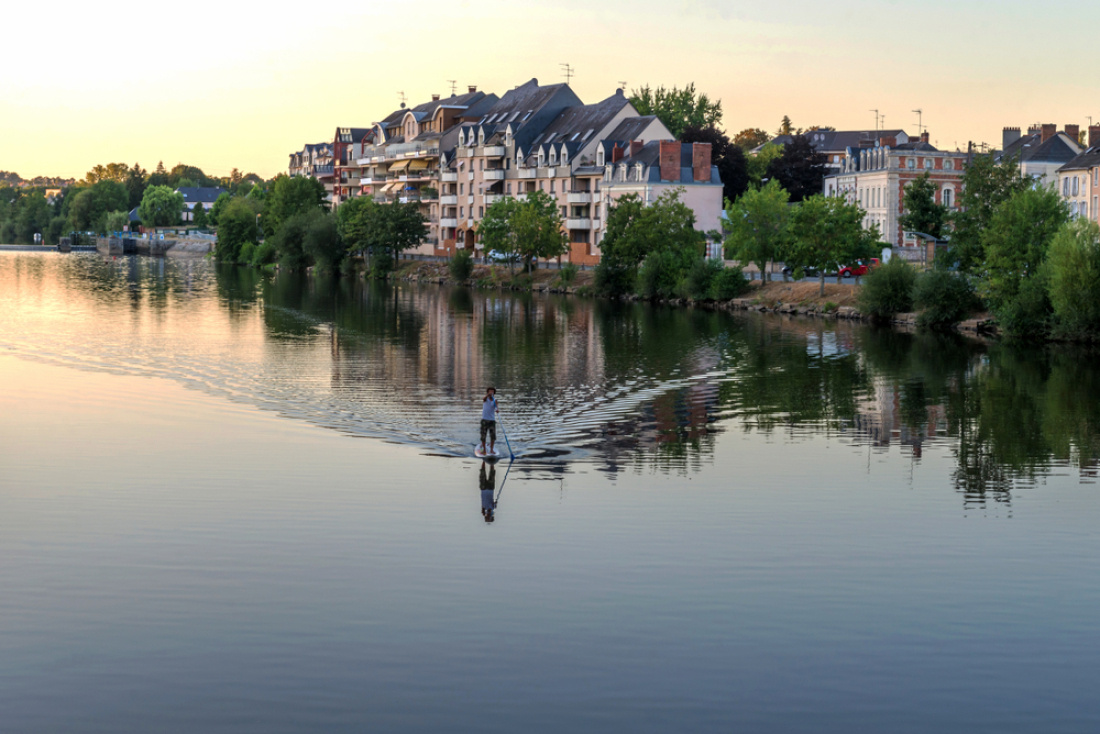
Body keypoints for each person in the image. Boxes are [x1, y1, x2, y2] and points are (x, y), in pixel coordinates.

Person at [478, 386, 498, 455]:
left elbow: (496, 408)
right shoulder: (486, 399)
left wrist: (497, 410)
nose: (491, 392)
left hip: (492, 421)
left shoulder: (495, 400)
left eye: (492, 391)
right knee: (483, 436)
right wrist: (488, 395)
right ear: (488, 392)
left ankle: (491, 450)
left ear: (494, 393)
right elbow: (483, 398)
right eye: (490, 391)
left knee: (493, 436)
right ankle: (483, 449)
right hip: (484, 420)